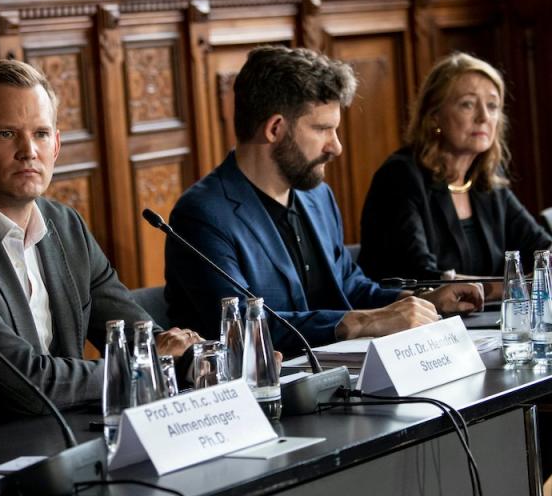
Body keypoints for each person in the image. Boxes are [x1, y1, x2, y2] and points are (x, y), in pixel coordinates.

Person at [0, 59, 198, 430]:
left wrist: (210, 359)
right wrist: (148, 363)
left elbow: (137, 335)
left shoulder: (65, 226)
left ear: (57, 145)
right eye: (6, 134)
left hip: (61, 436)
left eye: (41, 134)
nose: (28, 150)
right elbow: (28, 385)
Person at [164, 46, 484, 353]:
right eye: (323, 129)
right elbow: (245, 328)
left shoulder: (317, 195)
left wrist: (421, 300)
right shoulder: (202, 215)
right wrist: (362, 322)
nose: (336, 147)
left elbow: (349, 285)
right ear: (275, 129)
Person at [358, 52, 551, 290]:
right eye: (467, 104)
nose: (483, 117)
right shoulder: (400, 177)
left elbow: (541, 248)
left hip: (483, 322)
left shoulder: (485, 179)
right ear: (434, 116)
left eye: (492, 106)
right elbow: (420, 277)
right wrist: (511, 288)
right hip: (420, 323)